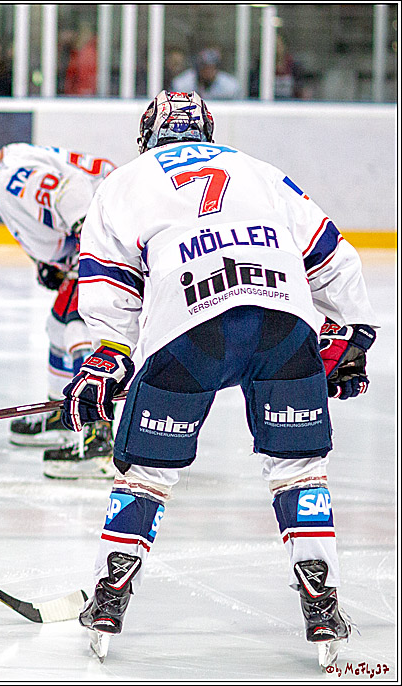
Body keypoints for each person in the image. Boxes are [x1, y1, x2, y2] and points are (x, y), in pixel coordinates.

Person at [63, 91, 377, 667]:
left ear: (148, 135)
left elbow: (108, 284)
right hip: (283, 322)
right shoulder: (260, 171)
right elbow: (334, 258)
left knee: (148, 474)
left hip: (189, 330)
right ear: (207, 130)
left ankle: (110, 599)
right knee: (300, 468)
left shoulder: (126, 181)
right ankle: (321, 599)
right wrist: (352, 333)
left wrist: (107, 355)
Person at [0, 114, 116, 479]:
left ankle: (97, 437)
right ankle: (63, 413)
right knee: (57, 325)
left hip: (104, 237)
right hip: (98, 235)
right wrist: (51, 259)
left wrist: (85, 243)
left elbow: (72, 189)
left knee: (72, 320)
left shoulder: (14, 177)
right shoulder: (6, 168)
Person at [171, 47, 241, 100]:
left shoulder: (229, 86)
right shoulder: (182, 84)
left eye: (212, 68)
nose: (208, 71)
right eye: (204, 67)